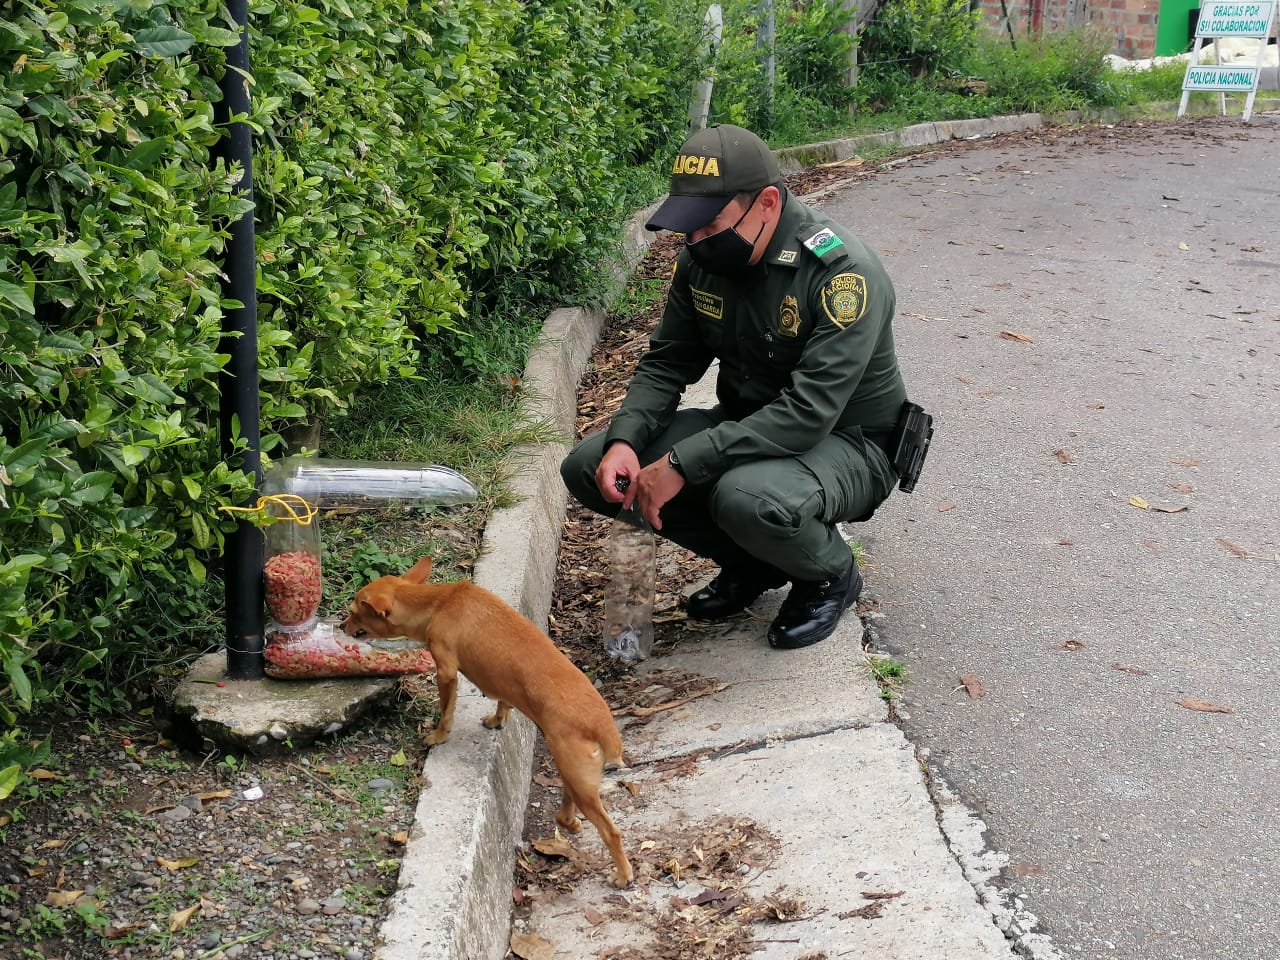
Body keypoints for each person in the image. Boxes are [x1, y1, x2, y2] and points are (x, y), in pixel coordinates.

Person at [560, 123, 909, 649]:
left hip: (848, 443)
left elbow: (809, 413)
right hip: (751, 427)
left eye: (709, 226)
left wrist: (680, 463)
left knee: (745, 497)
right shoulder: (704, 262)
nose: (695, 242)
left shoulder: (842, 276)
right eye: (687, 229)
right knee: (590, 467)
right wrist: (626, 441)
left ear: (767, 203)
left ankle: (830, 574)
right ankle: (753, 564)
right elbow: (667, 363)